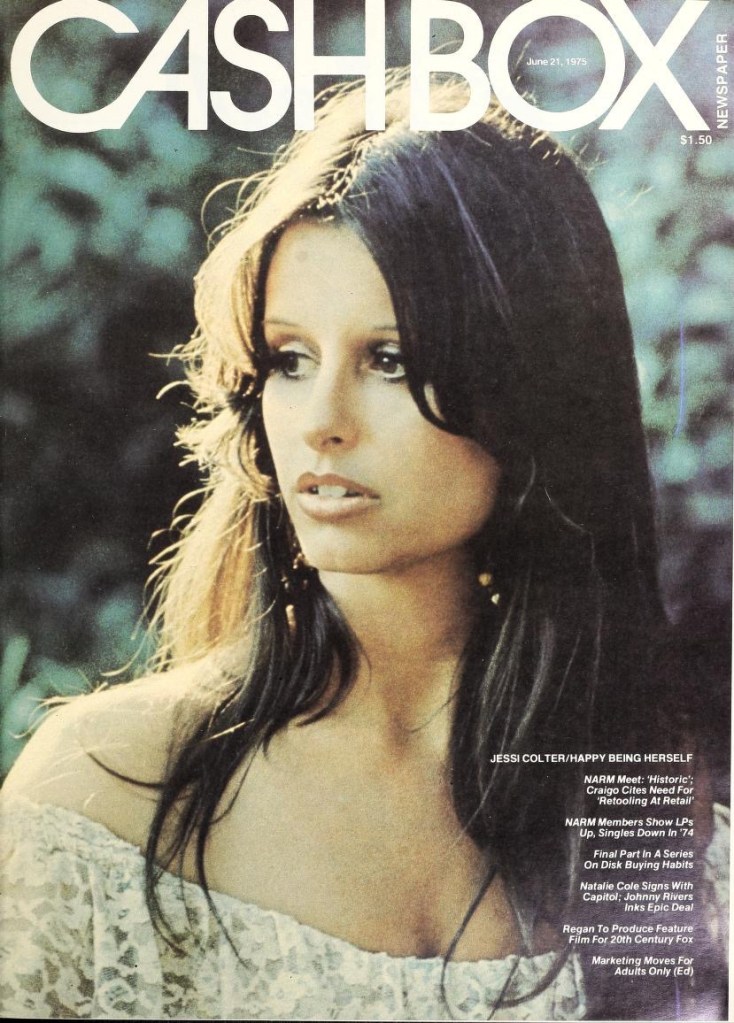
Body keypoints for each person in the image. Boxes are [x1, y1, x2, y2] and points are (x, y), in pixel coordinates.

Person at [0, 74, 728, 1021]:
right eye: (289, 359)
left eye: (388, 359)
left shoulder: (656, 811)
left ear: (532, 388)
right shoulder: (100, 794)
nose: (322, 422)